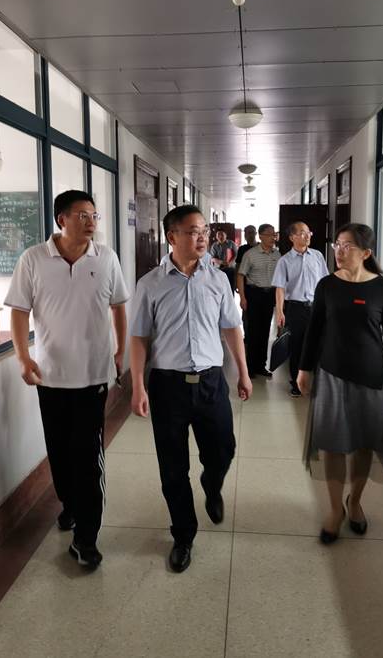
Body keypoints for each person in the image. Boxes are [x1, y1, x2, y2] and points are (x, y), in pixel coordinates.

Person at [5, 190, 128, 570]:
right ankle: (70, 505)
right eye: (82, 215)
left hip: (92, 376)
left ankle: (86, 539)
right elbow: (19, 311)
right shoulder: (33, 259)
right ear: (62, 219)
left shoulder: (106, 258)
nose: (91, 222)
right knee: (59, 453)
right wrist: (24, 358)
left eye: (94, 215)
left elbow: (119, 306)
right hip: (51, 376)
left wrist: (120, 350)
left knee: (88, 458)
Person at [129, 205, 252, 573]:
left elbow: (231, 328)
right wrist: (137, 386)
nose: (202, 237)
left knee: (223, 450)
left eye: (204, 230)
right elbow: (139, 338)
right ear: (172, 237)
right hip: (168, 386)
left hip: (211, 382)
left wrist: (243, 372)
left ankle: (211, 485)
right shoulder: (150, 284)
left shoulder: (218, 279)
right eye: (193, 231)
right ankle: (183, 535)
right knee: (172, 467)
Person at [297, 223, 383, 545]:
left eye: (347, 246)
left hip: (373, 378)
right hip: (332, 374)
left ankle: (355, 502)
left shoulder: (382, 288)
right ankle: (335, 510)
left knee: (364, 444)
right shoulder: (327, 285)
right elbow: (314, 330)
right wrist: (304, 369)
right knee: (333, 445)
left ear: (366, 252)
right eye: (338, 245)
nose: (339, 251)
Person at [272, 222, 329, 397]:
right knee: (297, 346)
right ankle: (296, 383)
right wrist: (280, 311)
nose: (307, 236)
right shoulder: (284, 261)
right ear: (292, 237)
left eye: (308, 232)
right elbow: (280, 288)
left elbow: (325, 283)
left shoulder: (317, 256)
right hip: (296, 309)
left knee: (319, 345)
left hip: (317, 308)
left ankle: (319, 383)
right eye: (303, 233)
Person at [237, 224, 281, 378]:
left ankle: (261, 365)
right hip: (254, 294)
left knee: (265, 331)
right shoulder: (250, 254)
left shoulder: (277, 255)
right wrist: (242, 297)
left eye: (274, 234)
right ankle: (250, 367)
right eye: (269, 235)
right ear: (260, 236)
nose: (273, 238)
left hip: (269, 295)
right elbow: (240, 275)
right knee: (253, 332)